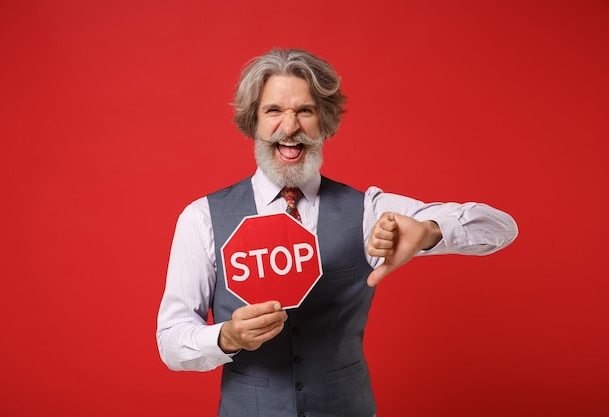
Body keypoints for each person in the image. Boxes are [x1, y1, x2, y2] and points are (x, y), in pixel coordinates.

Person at [156, 48, 518, 417]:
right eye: (274, 110)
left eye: (305, 111)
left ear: (325, 121)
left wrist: (428, 231)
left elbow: (500, 227)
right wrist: (226, 337)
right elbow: (170, 341)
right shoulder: (202, 218)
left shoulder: (369, 212)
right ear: (253, 122)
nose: (290, 126)